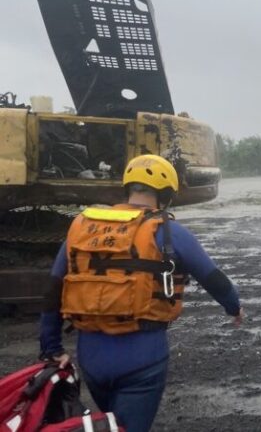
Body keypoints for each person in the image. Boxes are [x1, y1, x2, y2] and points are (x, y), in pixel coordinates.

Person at [39, 154, 243, 432]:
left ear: (128, 188)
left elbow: (53, 289)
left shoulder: (82, 228)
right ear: (167, 195)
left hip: (92, 358)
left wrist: (51, 348)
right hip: (142, 360)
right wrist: (234, 307)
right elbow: (214, 279)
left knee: (111, 424)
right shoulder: (169, 232)